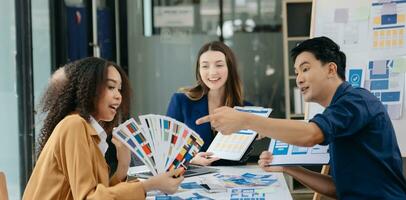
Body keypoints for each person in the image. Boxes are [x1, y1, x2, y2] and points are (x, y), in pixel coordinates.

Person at [196, 37, 406, 199]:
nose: (299, 79)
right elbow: (337, 188)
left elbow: (310, 134)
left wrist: (246, 119)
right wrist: (287, 167)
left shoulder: (356, 100)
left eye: (305, 69)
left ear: (331, 69)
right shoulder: (337, 111)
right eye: (296, 72)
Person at [24, 57, 184, 199]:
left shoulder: (87, 129)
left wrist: (123, 165)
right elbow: (89, 197)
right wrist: (149, 185)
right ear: (89, 88)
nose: (118, 96)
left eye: (119, 89)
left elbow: (101, 191)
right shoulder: (74, 126)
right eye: (110, 87)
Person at [166, 41, 253, 166]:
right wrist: (191, 159)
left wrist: (258, 131)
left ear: (230, 68)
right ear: (199, 70)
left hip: (233, 181)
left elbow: (244, 157)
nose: (212, 72)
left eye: (219, 65)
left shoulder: (246, 109)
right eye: (205, 66)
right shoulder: (181, 102)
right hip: (192, 181)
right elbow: (167, 150)